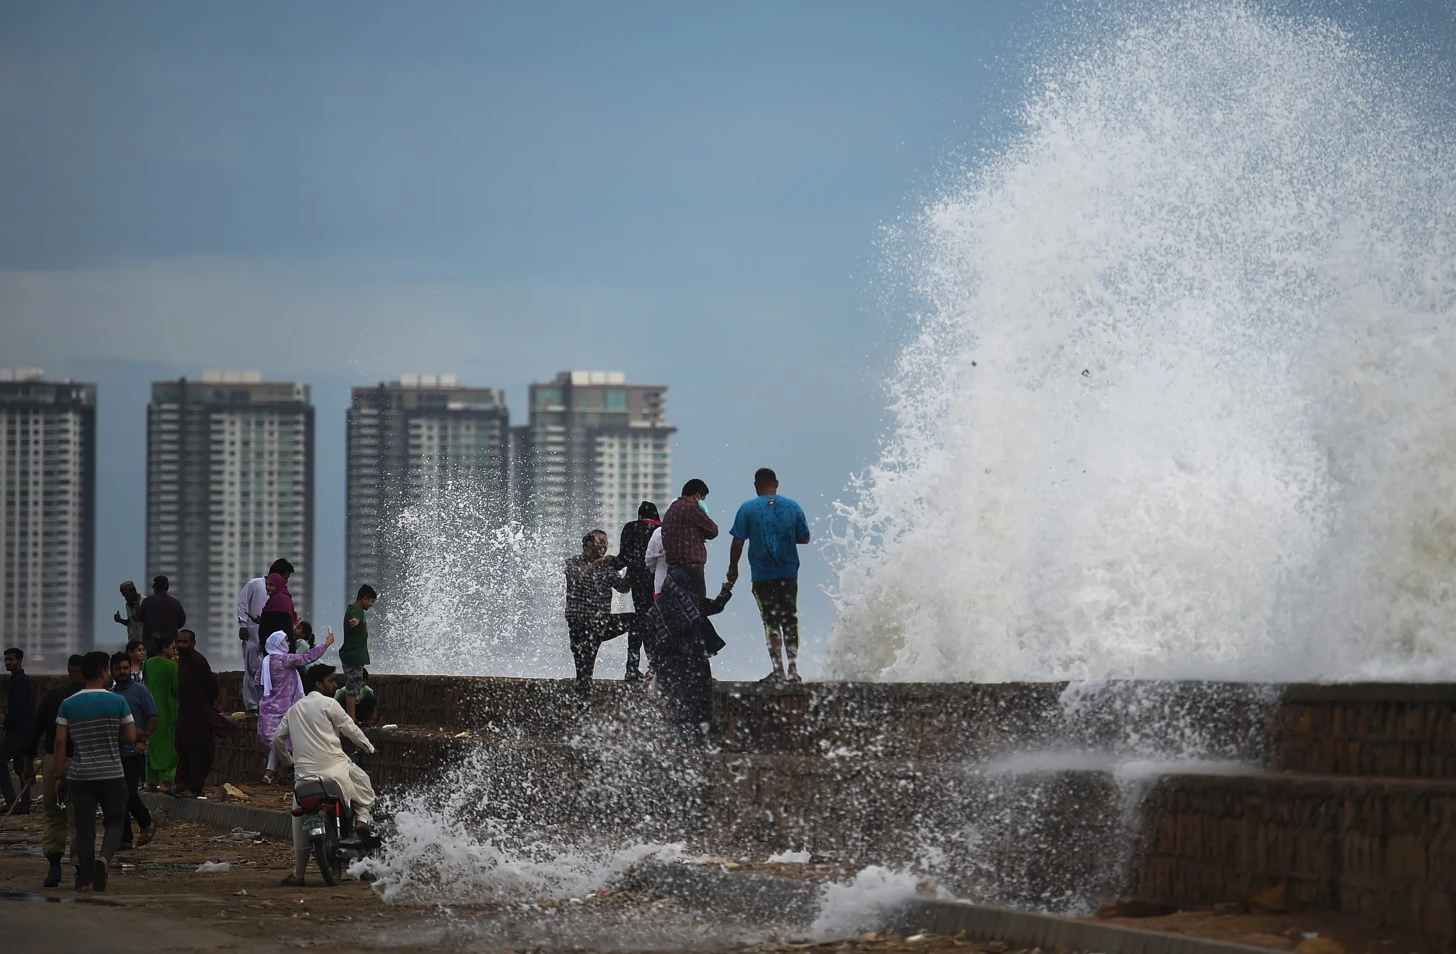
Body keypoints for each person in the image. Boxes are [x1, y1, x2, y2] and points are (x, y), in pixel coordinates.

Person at [273, 665, 377, 887]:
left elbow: (277, 740)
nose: (335, 684)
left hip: (305, 779)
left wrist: (289, 762)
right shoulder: (329, 704)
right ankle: (361, 821)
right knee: (364, 787)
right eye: (330, 680)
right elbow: (350, 728)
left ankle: (299, 874)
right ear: (318, 684)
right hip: (334, 771)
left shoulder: (293, 710)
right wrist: (368, 747)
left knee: (299, 821)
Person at [53, 651, 136, 892]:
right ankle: (104, 860)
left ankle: (87, 880)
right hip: (112, 772)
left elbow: (60, 743)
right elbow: (131, 736)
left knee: (84, 828)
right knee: (115, 822)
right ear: (103, 673)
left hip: (80, 775)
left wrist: (59, 776)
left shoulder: (68, 704)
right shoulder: (118, 701)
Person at [728, 468, 811, 683]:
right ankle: (793, 671)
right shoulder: (793, 507)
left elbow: (738, 541)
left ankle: (778, 671)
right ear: (777, 483)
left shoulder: (747, 508)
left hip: (762, 575)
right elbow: (805, 538)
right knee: (789, 618)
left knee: (771, 622)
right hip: (789, 572)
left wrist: (733, 568)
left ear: (756, 485)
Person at [646, 574, 733, 741]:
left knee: (676, 700)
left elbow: (652, 644)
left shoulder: (654, 612)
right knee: (701, 696)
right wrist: (726, 590)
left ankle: (680, 736)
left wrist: (653, 667)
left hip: (669, 664)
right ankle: (704, 734)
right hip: (695, 657)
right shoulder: (691, 601)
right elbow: (716, 606)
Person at [564, 530, 634, 717]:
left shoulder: (607, 568)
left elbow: (623, 588)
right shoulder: (573, 562)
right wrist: (599, 563)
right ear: (587, 544)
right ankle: (582, 718)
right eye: (600, 541)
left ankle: (633, 668)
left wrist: (633, 567)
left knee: (637, 621)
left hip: (601, 624)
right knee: (584, 672)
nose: (604, 546)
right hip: (580, 625)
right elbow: (578, 577)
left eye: (606, 542)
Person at [29, 655, 83, 887]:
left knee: (53, 815)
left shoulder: (54, 699)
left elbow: (34, 732)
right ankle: (81, 869)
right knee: (80, 817)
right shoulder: (97, 699)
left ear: (69, 672)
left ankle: (54, 866)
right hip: (83, 761)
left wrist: (27, 764)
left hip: (52, 760)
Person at [257, 629, 332, 785]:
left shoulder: (266, 662)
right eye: (285, 640)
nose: (289, 643)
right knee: (287, 741)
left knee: (277, 743)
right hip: (286, 708)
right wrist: (325, 644)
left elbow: (258, 682)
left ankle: (270, 774)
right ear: (278, 643)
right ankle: (291, 771)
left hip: (269, 707)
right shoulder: (284, 660)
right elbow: (307, 657)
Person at [174, 629, 240, 798]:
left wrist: (205, 702)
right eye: (179, 642)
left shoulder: (198, 661)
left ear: (193, 644)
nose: (181, 645)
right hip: (185, 712)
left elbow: (212, 686)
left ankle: (195, 788)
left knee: (197, 751)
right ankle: (183, 784)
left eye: (185, 642)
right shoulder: (182, 661)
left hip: (198, 714)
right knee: (182, 747)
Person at [108, 652, 157, 849]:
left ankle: (146, 822)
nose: (122, 672)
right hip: (114, 752)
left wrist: (143, 739)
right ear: (111, 671)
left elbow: (153, 716)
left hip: (134, 753)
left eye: (125, 668)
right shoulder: (109, 695)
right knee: (116, 797)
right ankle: (124, 838)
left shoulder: (140, 691)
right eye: (118, 669)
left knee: (127, 793)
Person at [617, 501, 661, 682]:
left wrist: (609, 565)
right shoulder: (662, 530)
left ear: (640, 516)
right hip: (658, 584)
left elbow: (624, 557)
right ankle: (656, 666)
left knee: (640, 621)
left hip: (638, 583)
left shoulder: (631, 527)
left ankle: (632, 668)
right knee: (656, 625)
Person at [238, 562, 285, 713]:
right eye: (285, 577)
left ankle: (263, 703)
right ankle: (252, 705)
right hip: (252, 632)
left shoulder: (280, 594)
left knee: (264, 668)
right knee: (251, 668)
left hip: (268, 635)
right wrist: (243, 625)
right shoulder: (255, 584)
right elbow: (242, 604)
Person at [661, 478, 718, 601]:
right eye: (701, 499)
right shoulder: (690, 508)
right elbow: (713, 530)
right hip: (691, 571)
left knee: (679, 611)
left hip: (673, 570)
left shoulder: (671, 510)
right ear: (697, 495)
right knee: (696, 611)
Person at [142, 637, 179, 793]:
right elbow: (177, 689)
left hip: (150, 710)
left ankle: (150, 782)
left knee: (152, 746)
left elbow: (145, 681)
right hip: (167, 711)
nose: (174, 650)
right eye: (172, 647)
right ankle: (166, 781)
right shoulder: (172, 666)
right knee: (170, 748)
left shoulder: (148, 663)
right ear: (164, 648)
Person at [1, 646, 35, 813]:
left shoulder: (21, 681)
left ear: (20, 661)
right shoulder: (19, 680)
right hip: (22, 730)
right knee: (21, 768)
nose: (8, 662)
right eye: (6, 659)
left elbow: (19, 709)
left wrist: (5, 726)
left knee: (2, 763)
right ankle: (24, 804)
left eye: (11, 659)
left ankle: (11, 802)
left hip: (18, 731)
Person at [340, 585, 377, 721]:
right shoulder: (356, 611)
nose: (372, 605)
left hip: (354, 655)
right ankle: (352, 719)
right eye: (371, 601)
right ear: (364, 599)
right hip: (353, 656)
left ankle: (352, 718)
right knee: (352, 688)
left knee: (353, 688)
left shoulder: (355, 610)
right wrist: (354, 622)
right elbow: (355, 619)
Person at [138, 575, 186, 658]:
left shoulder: (147, 602)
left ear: (155, 588)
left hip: (151, 646)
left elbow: (140, 619)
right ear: (167, 587)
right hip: (169, 646)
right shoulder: (176, 603)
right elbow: (181, 622)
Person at [257, 569, 299, 658]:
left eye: (271, 585)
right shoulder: (277, 599)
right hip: (278, 648)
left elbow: (272, 625)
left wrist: (262, 642)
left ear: (278, 585)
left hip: (277, 648)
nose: (267, 587)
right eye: (267, 584)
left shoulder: (279, 600)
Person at [113, 581, 144, 647]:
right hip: (132, 641)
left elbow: (151, 622)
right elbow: (130, 623)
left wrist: (140, 611)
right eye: (124, 596)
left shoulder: (145, 601)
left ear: (133, 591)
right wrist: (120, 620)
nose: (126, 599)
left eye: (127, 595)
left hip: (144, 642)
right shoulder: (128, 605)